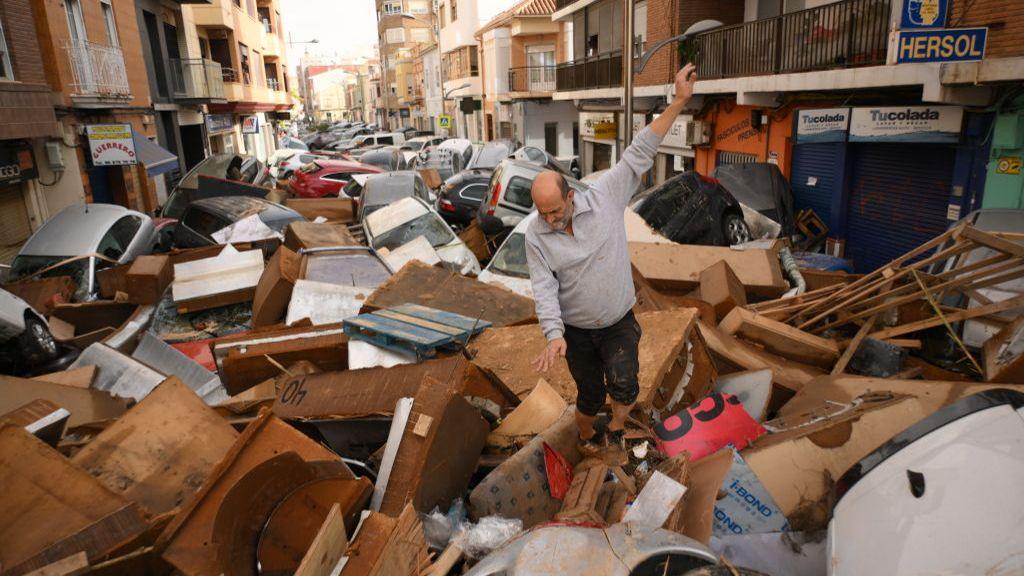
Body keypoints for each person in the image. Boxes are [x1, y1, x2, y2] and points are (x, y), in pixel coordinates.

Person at [525, 63, 699, 453]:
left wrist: (678, 102)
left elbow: (640, 151)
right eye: (543, 214)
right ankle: (587, 436)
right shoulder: (535, 235)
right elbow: (543, 287)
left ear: (570, 196)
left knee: (624, 384)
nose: (550, 221)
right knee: (588, 395)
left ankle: (617, 427)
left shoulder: (604, 196)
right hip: (577, 332)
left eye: (556, 211)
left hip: (619, 321)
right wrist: (554, 335)